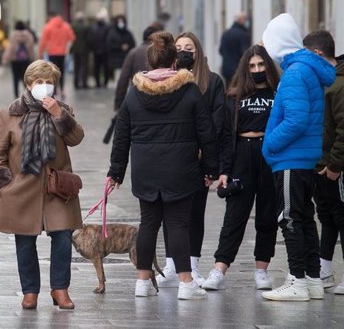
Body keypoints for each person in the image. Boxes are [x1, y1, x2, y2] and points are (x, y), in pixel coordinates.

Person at [107, 31, 217, 300]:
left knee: (148, 224)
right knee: (178, 225)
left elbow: (121, 136)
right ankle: (186, 283)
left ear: (150, 61)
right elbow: (208, 134)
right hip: (181, 170)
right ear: (173, 62)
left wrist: (116, 172)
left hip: (145, 171)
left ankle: (143, 282)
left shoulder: (135, 94)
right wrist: (210, 170)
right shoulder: (189, 91)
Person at [0, 60, 84, 310]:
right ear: (29, 84)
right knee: (24, 242)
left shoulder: (63, 110)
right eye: (39, 82)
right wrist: (5, 185)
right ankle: (30, 291)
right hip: (22, 189)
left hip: (58, 187)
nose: (44, 86)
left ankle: (60, 289)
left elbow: (76, 138)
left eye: (49, 82)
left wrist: (58, 115)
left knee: (63, 238)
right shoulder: (10, 113)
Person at [260, 13, 336, 301]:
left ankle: (297, 281)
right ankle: (313, 279)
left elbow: (295, 120)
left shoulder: (294, 73)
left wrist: (269, 145)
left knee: (290, 218)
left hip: (291, 158)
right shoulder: (306, 69)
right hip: (303, 158)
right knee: (304, 219)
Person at [201, 45, 280, 291]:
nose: (257, 70)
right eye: (252, 66)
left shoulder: (278, 93)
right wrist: (224, 170)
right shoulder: (234, 97)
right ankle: (219, 268)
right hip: (242, 154)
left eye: (260, 65)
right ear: (246, 69)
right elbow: (226, 136)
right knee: (234, 216)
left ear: (267, 66)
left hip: (269, 154)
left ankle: (261, 270)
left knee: (267, 216)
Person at [157, 31, 225, 287]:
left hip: (198, 159)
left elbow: (217, 121)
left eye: (189, 47)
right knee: (170, 211)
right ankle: (171, 264)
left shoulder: (213, 82)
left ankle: (193, 264)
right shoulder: (167, 80)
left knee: (195, 211)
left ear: (198, 51)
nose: (184, 51)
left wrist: (205, 151)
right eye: (179, 47)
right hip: (173, 158)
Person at [303, 30, 344, 294]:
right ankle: (324, 271)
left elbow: (343, 127)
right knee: (327, 218)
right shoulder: (322, 82)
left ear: (317, 54)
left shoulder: (338, 84)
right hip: (320, 164)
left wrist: (335, 165)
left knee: (341, 218)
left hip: (334, 167)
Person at [114, 25, 160, 112]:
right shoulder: (162, 53)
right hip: (159, 96)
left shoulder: (133, 53)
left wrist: (118, 104)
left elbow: (123, 79)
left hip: (137, 97)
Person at [39, 13, 75, 98]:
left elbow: (43, 41)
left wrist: (41, 52)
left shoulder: (48, 26)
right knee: (61, 72)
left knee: (52, 72)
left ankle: (54, 90)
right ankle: (62, 90)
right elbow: (72, 38)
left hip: (52, 52)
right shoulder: (66, 26)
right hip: (62, 53)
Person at [2, 20, 36, 98]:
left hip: (15, 60)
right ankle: (27, 94)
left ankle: (16, 95)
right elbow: (31, 49)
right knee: (26, 78)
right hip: (25, 60)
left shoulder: (13, 35)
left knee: (15, 78)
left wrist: (5, 59)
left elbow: (9, 48)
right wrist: (33, 59)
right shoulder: (28, 35)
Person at [219, 12, 250, 83]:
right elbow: (245, 54)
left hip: (226, 69)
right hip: (238, 69)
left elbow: (220, 50)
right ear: (241, 20)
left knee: (229, 90)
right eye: (246, 19)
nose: (247, 22)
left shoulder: (226, 33)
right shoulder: (244, 34)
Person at [70, 12, 91, 89]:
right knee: (84, 66)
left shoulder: (73, 26)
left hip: (75, 49)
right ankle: (84, 83)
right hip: (84, 49)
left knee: (76, 66)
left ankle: (76, 83)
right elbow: (89, 39)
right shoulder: (86, 26)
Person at [90, 12, 110, 88]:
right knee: (97, 68)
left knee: (105, 67)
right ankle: (97, 82)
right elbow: (91, 38)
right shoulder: (94, 27)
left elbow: (108, 38)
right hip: (96, 51)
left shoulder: (107, 27)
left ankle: (105, 82)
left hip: (104, 51)